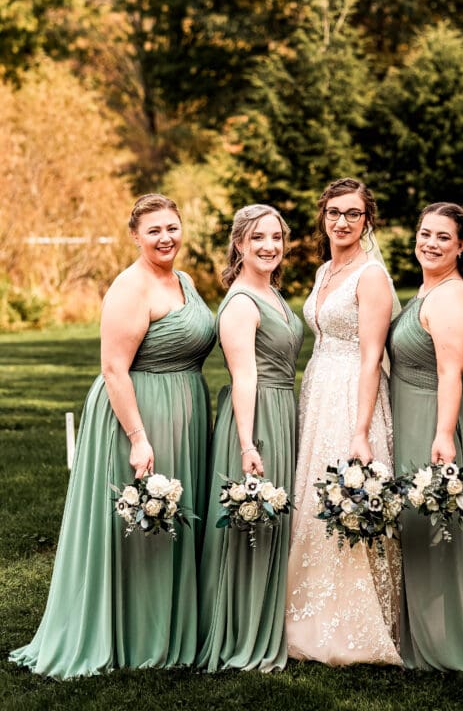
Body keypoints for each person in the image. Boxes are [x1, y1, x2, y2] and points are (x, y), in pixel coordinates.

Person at [10, 194, 215, 679]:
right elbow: (113, 369)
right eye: (154, 231)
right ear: (135, 236)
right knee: (137, 526)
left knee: (174, 522)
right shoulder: (131, 286)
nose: (166, 238)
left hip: (183, 411)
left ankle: (177, 627)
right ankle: (133, 635)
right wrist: (139, 437)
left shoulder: (182, 280)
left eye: (172, 227)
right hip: (137, 414)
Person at [286, 178, 402, 665]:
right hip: (319, 388)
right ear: (323, 216)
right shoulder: (325, 269)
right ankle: (308, 608)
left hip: (354, 394)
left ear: (367, 220)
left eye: (353, 214)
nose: (342, 221)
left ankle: (353, 621)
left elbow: (372, 356)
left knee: (346, 493)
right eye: (334, 212)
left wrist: (360, 429)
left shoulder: (370, 276)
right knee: (314, 496)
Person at [389, 202, 463, 673]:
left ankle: (448, 639)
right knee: (420, 527)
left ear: (461, 246)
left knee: (439, 527)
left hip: (441, 421)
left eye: (443, 237)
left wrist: (442, 436)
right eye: (424, 233)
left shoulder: (454, 298)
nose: (430, 243)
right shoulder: (429, 289)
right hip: (416, 414)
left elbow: (449, 372)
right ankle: (420, 630)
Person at [197, 204, 303, 672]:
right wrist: (247, 443)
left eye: (276, 237)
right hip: (255, 418)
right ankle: (242, 630)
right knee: (253, 523)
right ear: (239, 243)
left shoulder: (271, 292)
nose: (269, 246)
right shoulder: (242, 302)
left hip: (281, 410)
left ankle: (271, 617)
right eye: (258, 238)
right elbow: (243, 377)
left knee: (273, 520)